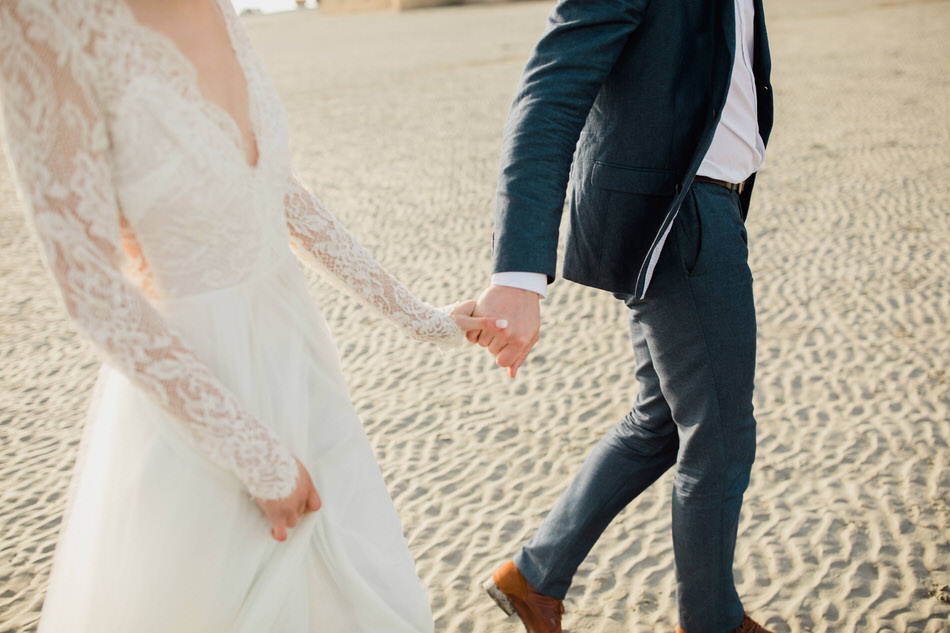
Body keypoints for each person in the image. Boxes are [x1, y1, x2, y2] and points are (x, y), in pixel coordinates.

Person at [0, 0, 505, 631]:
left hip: (303, 373)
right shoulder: (42, 20)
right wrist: (255, 456)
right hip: (199, 403)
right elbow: (90, 286)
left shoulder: (217, 7)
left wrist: (422, 319)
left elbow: (280, 195)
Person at [472, 1, 775, 632]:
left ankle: (534, 575)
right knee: (720, 436)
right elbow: (549, 93)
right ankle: (713, 622)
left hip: (700, 202)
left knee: (660, 419)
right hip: (682, 214)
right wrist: (518, 274)